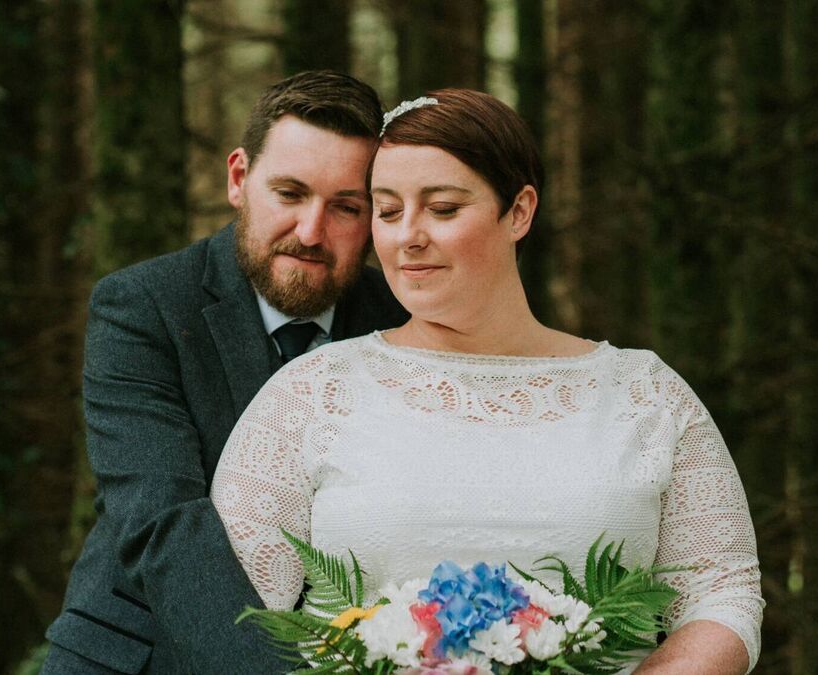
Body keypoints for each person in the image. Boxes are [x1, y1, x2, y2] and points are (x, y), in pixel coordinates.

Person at [211, 89, 764, 674]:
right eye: (388, 211)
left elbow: (720, 592)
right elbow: (235, 613)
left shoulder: (646, 394)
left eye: (443, 209)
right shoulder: (310, 393)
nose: (407, 236)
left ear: (519, 211)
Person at [41, 71, 408, 675]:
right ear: (239, 179)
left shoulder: (402, 320)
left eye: (346, 207)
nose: (311, 233)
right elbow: (162, 523)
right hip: (138, 657)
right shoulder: (143, 307)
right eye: (289, 194)